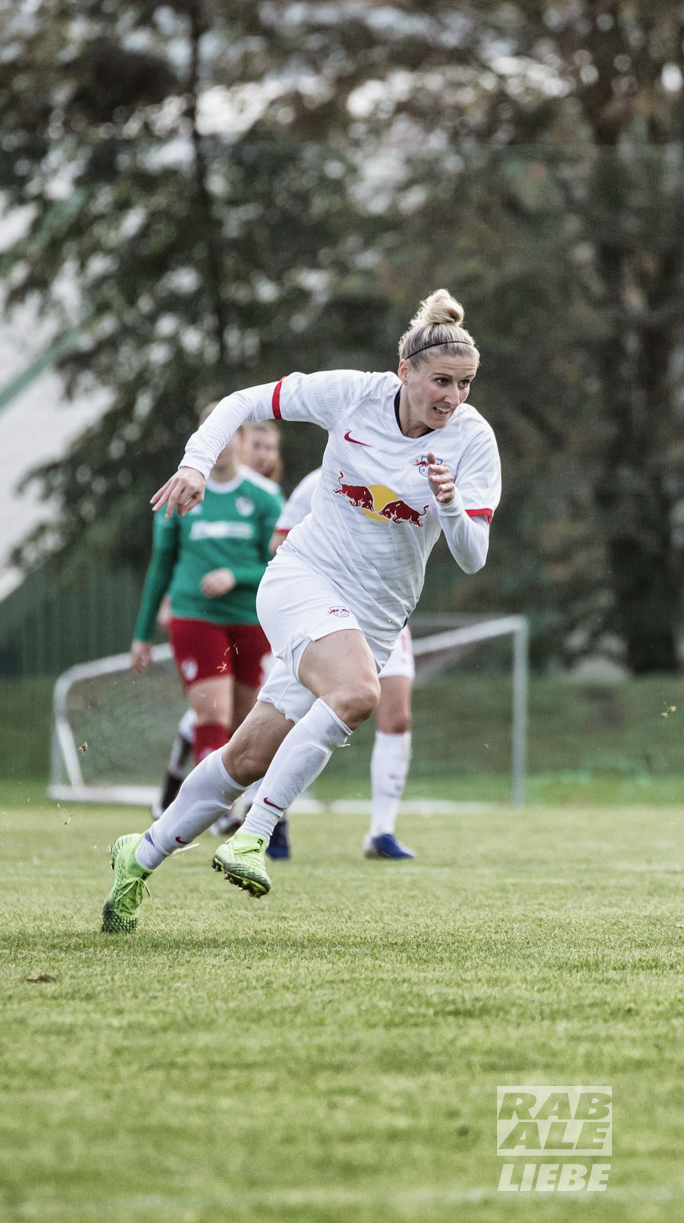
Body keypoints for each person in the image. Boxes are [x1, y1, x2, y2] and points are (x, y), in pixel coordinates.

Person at [100, 289, 500, 932]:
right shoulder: (353, 394)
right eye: (441, 381)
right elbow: (244, 402)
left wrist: (449, 504)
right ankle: (253, 836)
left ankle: (138, 855)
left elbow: (474, 556)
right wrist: (196, 464)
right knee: (358, 693)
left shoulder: (473, 442)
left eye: (466, 384)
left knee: (248, 757)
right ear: (405, 373)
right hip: (302, 579)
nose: (453, 397)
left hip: (372, 618)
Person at [132, 417, 285, 858]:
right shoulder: (182, 493)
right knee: (212, 714)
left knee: (241, 723)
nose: (218, 446)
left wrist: (234, 575)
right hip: (195, 618)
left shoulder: (263, 496)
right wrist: (142, 634)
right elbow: (161, 566)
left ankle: (184, 800)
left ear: (240, 440)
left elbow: (279, 562)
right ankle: (213, 814)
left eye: (226, 436)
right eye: (209, 437)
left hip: (250, 620)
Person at [274, 470, 420, 860]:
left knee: (398, 717)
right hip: (329, 619)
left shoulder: (408, 476)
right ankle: (268, 813)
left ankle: (381, 832)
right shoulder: (320, 480)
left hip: (387, 621)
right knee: (287, 718)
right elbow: (279, 542)